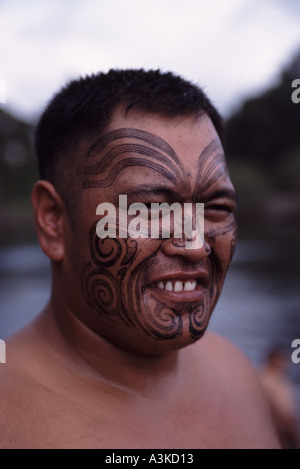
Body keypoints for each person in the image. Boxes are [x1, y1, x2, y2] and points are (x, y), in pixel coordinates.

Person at [0, 69, 280, 449]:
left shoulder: (234, 370)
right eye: (150, 209)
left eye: (216, 208)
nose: (196, 245)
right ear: (53, 221)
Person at [260, 347, 299, 449]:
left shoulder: (275, 379)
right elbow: (278, 408)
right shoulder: (270, 380)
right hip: (280, 430)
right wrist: (292, 432)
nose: (286, 363)